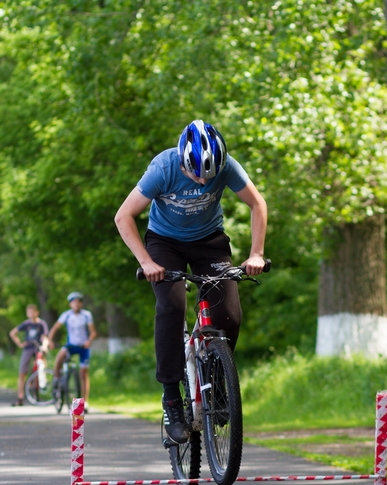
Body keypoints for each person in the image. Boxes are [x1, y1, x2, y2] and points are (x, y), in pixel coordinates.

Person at [115, 119, 267, 445]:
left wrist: (256, 253)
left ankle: (218, 380)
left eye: (208, 176)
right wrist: (147, 262)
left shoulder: (226, 167)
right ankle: (171, 396)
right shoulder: (163, 169)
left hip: (209, 240)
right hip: (164, 244)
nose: (202, 180)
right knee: (171, 306)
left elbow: (257, 204)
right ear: (183, 161)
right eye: (195, 173)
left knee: (229, 314)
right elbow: (123, 216)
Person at [48, 292, 97, 411]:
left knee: (83, 374)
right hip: (71, 345)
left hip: (83, 347)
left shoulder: (86, 315)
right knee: (59, 357)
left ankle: (84, 402)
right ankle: (56, 380)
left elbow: (93, 332)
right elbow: (55, 328)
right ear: (70, 304)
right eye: (73, 302)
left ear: (81, 303)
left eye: (78, 301)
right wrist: (50, 341)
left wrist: (89, 340)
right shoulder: (66, 315)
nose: (76, 304)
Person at [9, 304, 49, 406]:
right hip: (28, 348)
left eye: (33, 312)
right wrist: (20, 344)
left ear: (37, 312)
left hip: (38, 348)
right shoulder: (26, 324)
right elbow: (12, 333)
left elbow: (45, 337)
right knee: (22, 372)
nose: (31, 314)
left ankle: (39, 390)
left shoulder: (41, 324)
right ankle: (20, 397)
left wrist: (44, 346)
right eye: (29, 312)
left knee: (40, 367)